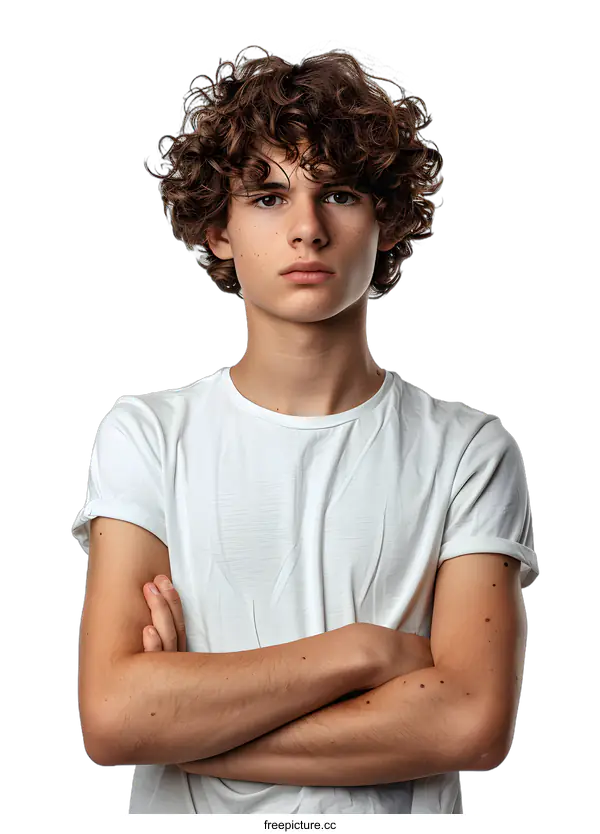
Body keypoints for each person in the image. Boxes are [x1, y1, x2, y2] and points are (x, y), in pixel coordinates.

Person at [72, 49, 537, 814]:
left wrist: (191, 724)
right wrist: (368, 652)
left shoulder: (469, 453)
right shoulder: (148, 435)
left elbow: (471, 721)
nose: (306, 230)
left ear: (384, 222)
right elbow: (118, 717)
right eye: (266, 196)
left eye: (341, 193)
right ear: (218, 229)